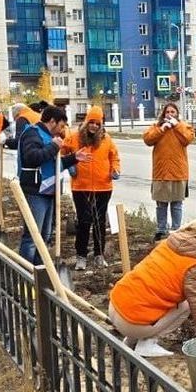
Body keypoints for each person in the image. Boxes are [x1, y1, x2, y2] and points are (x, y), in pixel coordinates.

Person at [108, 217, 196, 357]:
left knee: (151, 292)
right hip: (131, 323)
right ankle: (147, 344)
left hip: (115, 306)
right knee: (186, 306)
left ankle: (131, 341)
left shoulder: (167, 244)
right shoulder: (194, 266)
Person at [17, 105, 91, 264]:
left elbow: (53, 164)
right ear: (52, 121)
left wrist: (74, 158)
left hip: (48, 191)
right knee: (32, 236)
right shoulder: (33, 133)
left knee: (44, 237)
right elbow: (32, 158)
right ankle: (25, 274)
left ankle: (39, 273)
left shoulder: (48, 136)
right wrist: (53, 146)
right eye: (61, 125)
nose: (62, 130)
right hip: (35, 192)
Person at [61, 106, 120, 270]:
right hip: (81, 186)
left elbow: (114, 156)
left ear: (101, 124)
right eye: (91, 122)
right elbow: (63, 151)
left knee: (100, 221)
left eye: (97, 123)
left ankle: (99, 255)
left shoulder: (106, 139)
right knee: (84, 221)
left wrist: (115, 170)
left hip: (103, 187)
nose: (94, 126)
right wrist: (69, 164)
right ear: (86, 122)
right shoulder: (74, 137)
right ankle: (81, 256)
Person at [142, 102, 194, 241]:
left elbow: (188, 138)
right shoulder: (157, 127)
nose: (170, 114)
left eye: (173, 112)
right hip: (161, 172)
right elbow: (147, 139)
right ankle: (161, 230)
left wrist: (177, 125)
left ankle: (176, 230)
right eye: (167, 112)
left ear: (177, 114)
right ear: (163, 114)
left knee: (177, 204)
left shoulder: (183, 126)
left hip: (178, 172)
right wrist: (162, 129)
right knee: (161, 203)